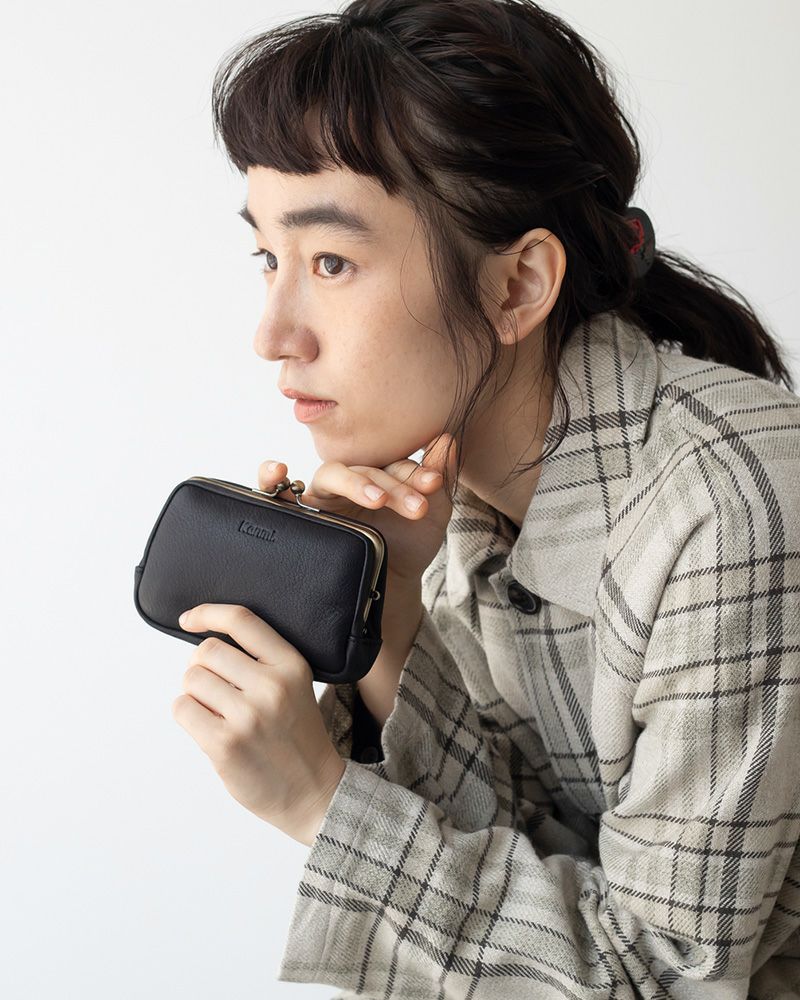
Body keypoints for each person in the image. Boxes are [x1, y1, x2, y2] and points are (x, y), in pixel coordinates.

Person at [209, 1, 800, 996]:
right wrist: (386, 620)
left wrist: (319, 799)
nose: (272, 334)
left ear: (518, 285)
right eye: (269, 258)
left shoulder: (725, 496)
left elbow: (662, 975)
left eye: (331, 262)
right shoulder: (451, 496)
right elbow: (530, 866)